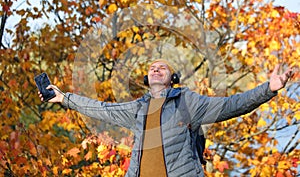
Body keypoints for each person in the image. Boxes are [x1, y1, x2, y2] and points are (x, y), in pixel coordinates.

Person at [38, 59, 293, 177]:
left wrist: (268, 89)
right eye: (152, 68)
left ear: (172, 79)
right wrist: (64, 98)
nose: (156, 69)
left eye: (162, 68)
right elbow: (102, 109)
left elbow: (230, 105)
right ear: (147, 80)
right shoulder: (138, 108)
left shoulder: (187, 101)